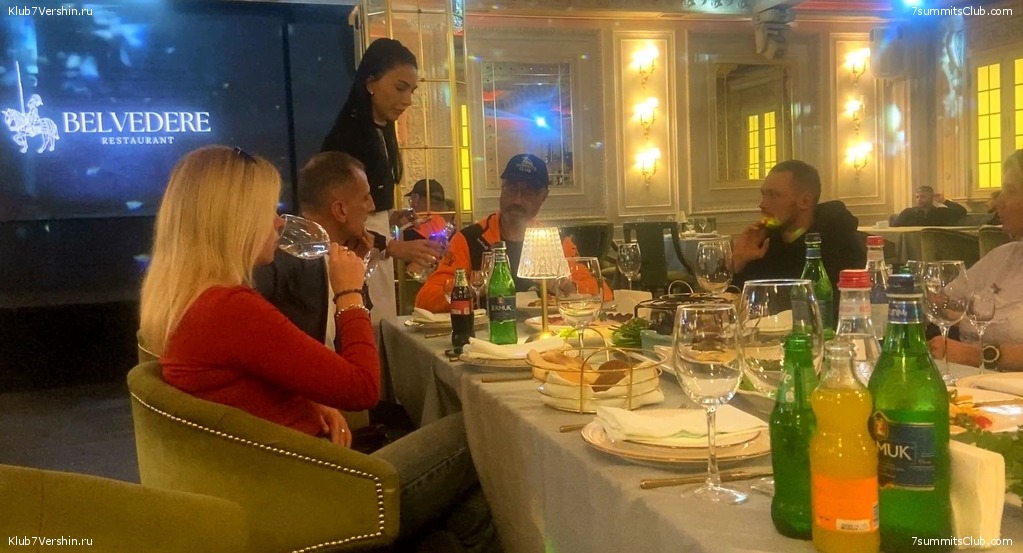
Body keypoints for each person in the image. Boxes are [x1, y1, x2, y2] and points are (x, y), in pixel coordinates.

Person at [139, 146, 492, 548]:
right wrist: (350, 294)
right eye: (268, 211)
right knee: (481, 428)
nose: (278, 222)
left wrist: (310, 401)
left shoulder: (189, 300)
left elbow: (261, 378)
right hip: (313, 493)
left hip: (284, 477)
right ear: (234, 221)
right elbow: (363, 389)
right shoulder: (229, 307)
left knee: (471, 509)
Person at [254, 152, 439, 347]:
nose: (372, 206)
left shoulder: (338, 254)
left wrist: (359, 272)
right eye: (365, 198)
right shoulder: (278, 260)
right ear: (340, 210)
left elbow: (348, 336)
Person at [416, 153, 611, 312]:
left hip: (545, 335)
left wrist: (568, 288)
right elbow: (425, 298)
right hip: (482, 337)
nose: (517, 199)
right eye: (511, 189)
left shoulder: (555, 242)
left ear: (543, 196)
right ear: (502, 189)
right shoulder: (470, 239)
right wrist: (472, 289)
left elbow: (603, 293)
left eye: (528, 192)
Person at [321, 38, 424, 324]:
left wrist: (389, 217)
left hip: (373, 251)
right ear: (370, 83)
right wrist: (393, 246)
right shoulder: (348, 136)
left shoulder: (380, 131)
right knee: (360, 324)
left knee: (378, 326)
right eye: (400, 88)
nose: (408, 100)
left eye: (412, 91)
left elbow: (364, 209)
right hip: (352, 255)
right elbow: (337, 216)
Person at [929, 149, 1023, 372]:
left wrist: (975, 356)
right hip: (968, 379)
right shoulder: (1003, 257)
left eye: (1011, 191)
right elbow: (949, 301)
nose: (998, 202)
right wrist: (922, 298)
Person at [732, 160, 866, 297]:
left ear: (805, 201)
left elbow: (840, 303)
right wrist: (738, 262)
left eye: (773, 195)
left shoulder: (838, 243)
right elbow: (737, 300)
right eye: (764, 194)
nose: (762, 204)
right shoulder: (764, 242)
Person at [892, 185, 967, 227]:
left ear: (932, 197)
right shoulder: (908, 213)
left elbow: (962, 211)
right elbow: (895, 229)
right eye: (917, 197)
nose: (919, 199)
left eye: (923, 196)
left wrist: (944, 201)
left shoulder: (941, 213)